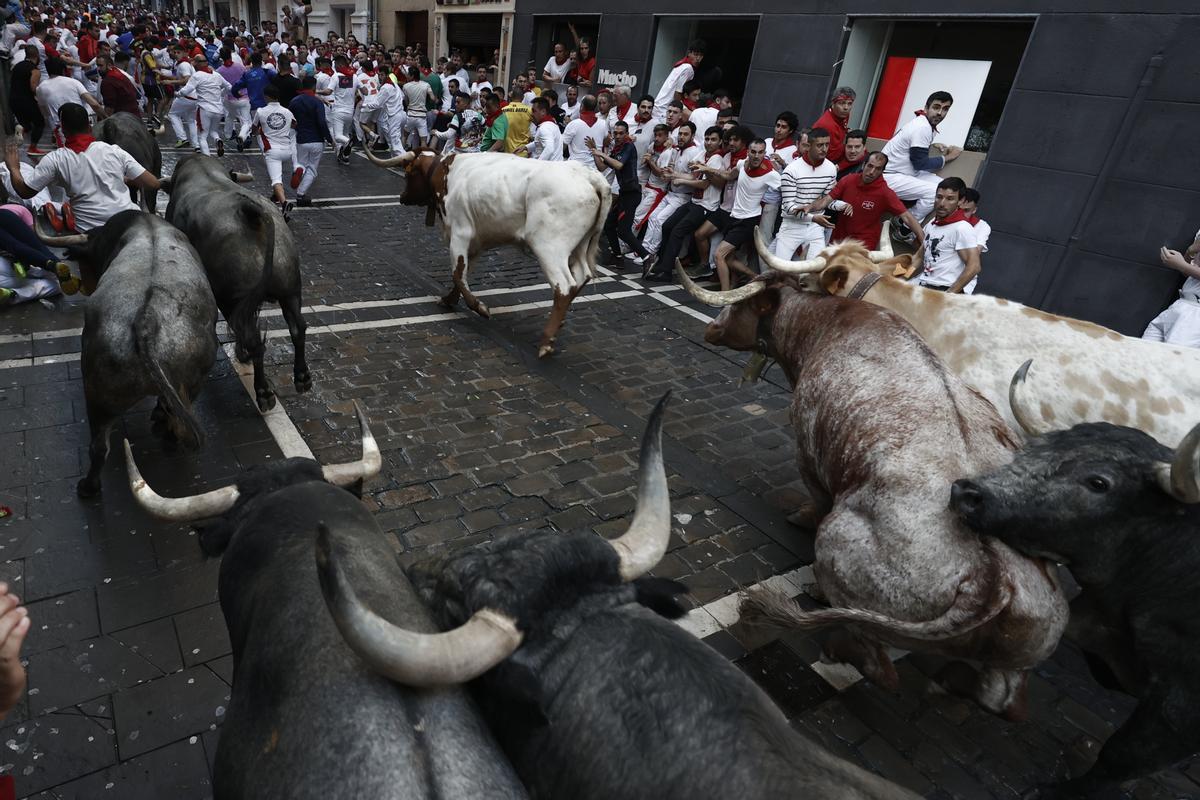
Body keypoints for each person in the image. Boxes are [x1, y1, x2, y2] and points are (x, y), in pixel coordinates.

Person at [5, 103, 159, 234]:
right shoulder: (115, 151)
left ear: (63, 129)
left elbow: (25, 192)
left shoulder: (54, 159)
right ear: (90, 126)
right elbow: (153, 183)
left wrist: (14, 168)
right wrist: (123, 179)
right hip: (129, 220)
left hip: (89, 229)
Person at [650, 124, 726, 281]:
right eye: (707, 139)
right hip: (694, 202)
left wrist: (679, 180)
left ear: (719, 142)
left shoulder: (716, 159)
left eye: (713, 140)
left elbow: (704, 184)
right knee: (667, 225)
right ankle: (662, 263)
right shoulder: (703, 154)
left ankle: (666, 271)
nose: (709, 142)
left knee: (678, 231)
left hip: (706, 206)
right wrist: (674, 175)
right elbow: (693, 177)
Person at [807, 151, 925, 252]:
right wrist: (807, 207)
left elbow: (907, 217)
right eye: (870, 166)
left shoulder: (885, 193)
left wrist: (924, 241)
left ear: (882, 171)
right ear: (864, 164)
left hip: (863, 245)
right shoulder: (848, 180)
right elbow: (825, 201)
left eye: (877, 169)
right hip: (839, 239)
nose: (871, 172)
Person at [881, 90, 962, 226]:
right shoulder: (922, 127)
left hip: (904, 173)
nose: (940, 113)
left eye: (945, 109)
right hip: (889, 176)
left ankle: (903, 222)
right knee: (936, 193)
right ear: (926, 108)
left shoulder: (924, 123)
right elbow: (920, 163)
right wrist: (949, 156)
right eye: (936, 107)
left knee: (945, 186)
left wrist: (932, 145)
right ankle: (904, 226)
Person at [712, 138, 779, 290]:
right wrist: (707, 169)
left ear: (764, 154)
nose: (756, 156)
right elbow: (729, 176)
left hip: (748, 221)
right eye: (753, 152)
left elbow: (787, 189)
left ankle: (725, 295)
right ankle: (756, 277)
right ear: (748, 152)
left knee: (719, 255)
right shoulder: (742, 163)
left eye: (760, 152)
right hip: (734, 217)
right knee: (728, 259)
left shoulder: (771, 174)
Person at [593, 121, 652, 267]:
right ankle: (617, 257)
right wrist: (595, 151)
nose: (617, 136)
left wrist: (602, 154)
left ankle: (647, 257)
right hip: (624, 194)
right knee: (609, 225)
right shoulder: (617, 149)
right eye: (615, 133)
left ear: (626, 134)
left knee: (624, 231)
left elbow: (618, 165)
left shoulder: (628, 146)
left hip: (632, 194)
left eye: (621, 133)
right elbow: (601, 167)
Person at [773, 126, 837, 260]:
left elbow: (826, 200)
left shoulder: (831, 168)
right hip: (792, 226)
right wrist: (813, 217)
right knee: (780, 271)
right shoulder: (791, 171)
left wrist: (843, 205)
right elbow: (789, 208)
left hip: (816, 226)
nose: (824, 149)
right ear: (809, 146)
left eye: (827, 144)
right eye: (820, 145)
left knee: (814, 270)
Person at [641, 121, 702, 262]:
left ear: (692, 136)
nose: (681, 137)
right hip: (671, 192)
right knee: (653, 217)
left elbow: (694, 177)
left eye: (685, 134)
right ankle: (643, 251)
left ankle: (651, 254)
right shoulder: (676, 149)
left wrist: (673, 175)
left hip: (683, 196)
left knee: (660, 220)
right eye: (680, 133)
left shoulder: (695, 153)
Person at [910, 177, 980, 293]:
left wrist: (949, 295)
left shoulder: (962, 228)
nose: (942, 203)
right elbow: (918, 257)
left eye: (950, 199)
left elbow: (974, 267)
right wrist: (901, 277)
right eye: (939, 197)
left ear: (961, 201)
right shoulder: (932, 224)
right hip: (924, 287)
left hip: (943, 290)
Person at [1145, 228, 1200, 347]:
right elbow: (1187, 272)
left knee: (1172, 361)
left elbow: (1185, 267)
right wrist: (1190, 251)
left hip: (1195, 315)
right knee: (1142, 354)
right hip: (1180, 304)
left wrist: (1182, 265)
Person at [36, 57, 105, 147]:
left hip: (62, 130)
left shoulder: (41, 88)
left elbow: (44, 112)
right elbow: (94, 104)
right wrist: (106, 118)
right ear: (63, 70)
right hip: (82, 125)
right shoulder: (74, 82)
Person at [252, 84, 296, 214]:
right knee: (278, 173)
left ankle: (284, 203)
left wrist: (260, 131)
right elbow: (294, 124)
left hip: (272, 150)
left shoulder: (260, 111)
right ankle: (275, 195)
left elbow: (254, 129)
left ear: (266, 96)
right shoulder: (287, 111)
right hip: (287, 150)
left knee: (276, 179)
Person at [289, 74, 332, 206]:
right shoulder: (317, 102)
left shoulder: (294, 101)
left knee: (302, 162)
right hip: (317, 139)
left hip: (301, 138)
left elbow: (291, 121)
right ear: (314, 87)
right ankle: (301, 195)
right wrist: (330, 139)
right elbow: (322, 122)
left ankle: (298, 168)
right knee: (312, 169)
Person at [178, 53, 232, 156]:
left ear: (197, 64)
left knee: (202, 136)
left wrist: (178, 94)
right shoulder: (217, 75)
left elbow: (186, 90)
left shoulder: (197, 75)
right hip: (218, 109)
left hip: (204, 109)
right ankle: (218, 140)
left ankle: (208, 158)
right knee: (213, 132)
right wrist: (221, 94)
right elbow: (229, 87)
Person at [652, 39, 705, 122]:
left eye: (701, 55)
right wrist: (683, 109)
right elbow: (678, 93)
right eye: (695, 54)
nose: (698, 58)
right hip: (665, 109)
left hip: (660, 106)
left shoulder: (683, 65)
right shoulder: (688, 68)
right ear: (689, 53)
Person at [10, 46, 45, 155]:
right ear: (37, 55)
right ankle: (32, 148)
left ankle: (21, 129)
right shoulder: (34, 70)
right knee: (40, 123)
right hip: (26, 100)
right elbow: (33, 87)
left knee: (26, 124)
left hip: (13, 100)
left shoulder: (16, 66)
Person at [812, 86, 855, 166]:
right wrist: (848, 141)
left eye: (849, 104)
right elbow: (830, 156)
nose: (846, 108)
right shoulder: (827, 125)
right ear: (833, 103)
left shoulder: (843, 115)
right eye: (842, 103)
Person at [561, 94, 606, 168]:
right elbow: (607, 142)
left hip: (575, 168)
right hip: (595, 169)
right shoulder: (604, 124)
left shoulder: (573, 124)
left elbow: (562, 146)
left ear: (581, 106)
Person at [101, 50, 142, 117]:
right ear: (126, 62)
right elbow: (136, 96)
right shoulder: (126, 76)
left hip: (111, 109)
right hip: (124, 114)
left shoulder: (106, 73)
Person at [523, 96, 562, 160]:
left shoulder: (545, 128)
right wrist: (526, 147)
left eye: (533, 111)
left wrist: (538, 164)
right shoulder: (551, 124)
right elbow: (540, 142)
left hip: (548, 168)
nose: (532, 114)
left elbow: (549, 149)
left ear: (543, 112)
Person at [567, 22, 595, 88]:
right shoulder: (580, 58)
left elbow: (590, 84)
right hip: (578, 89)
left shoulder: (592, 62)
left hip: (586, 91)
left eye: (586, 48)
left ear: (589, 49)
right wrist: (572, 30)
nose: (583, 50)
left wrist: (582, 81)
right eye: (582, 48)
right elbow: (577, 44)